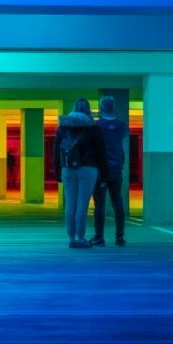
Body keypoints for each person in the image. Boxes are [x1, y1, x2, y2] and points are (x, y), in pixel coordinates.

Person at [54, 98, 109, 249]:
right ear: (88, 110)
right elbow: (101, 153)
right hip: (88, 169)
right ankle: (81, 238)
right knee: (82, 205)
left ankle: (71, 239)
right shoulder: (93, 128)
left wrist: (58, 172)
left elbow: (56, 152)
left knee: (70, 204)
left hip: (67, 169)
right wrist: (104, 175)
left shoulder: (62, 128)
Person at [90, 96, 130, 247]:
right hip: (116, 169)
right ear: (113, 107)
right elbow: (123, 136)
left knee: (99, 204)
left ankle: (99, 237)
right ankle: (120, 237)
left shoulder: (97, 125)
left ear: (101, 108)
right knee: (117, 202)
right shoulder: (121, 125)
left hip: (101, 170)